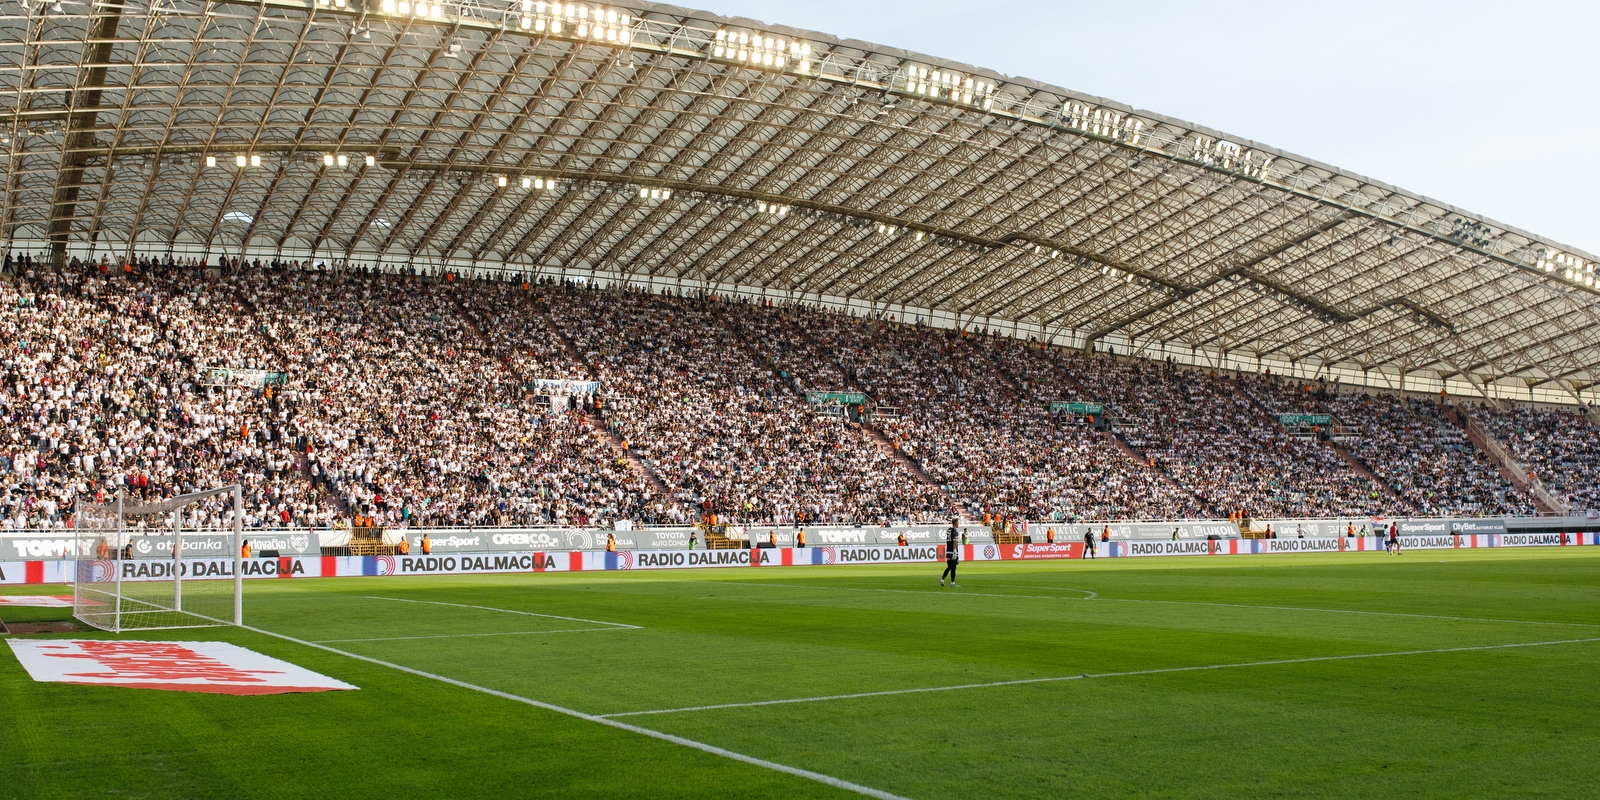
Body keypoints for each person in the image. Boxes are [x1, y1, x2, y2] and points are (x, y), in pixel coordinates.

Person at [940, 520, 960, 587]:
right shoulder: (955, 531)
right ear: (955, 523)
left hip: (948, 550)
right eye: (958, 522)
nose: (958, 524)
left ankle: (942, 580)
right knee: (953, 567)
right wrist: (955, 550)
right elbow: (955, 541)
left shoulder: (949, 530)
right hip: (952, 551)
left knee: (950, 566)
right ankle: (952, 583)